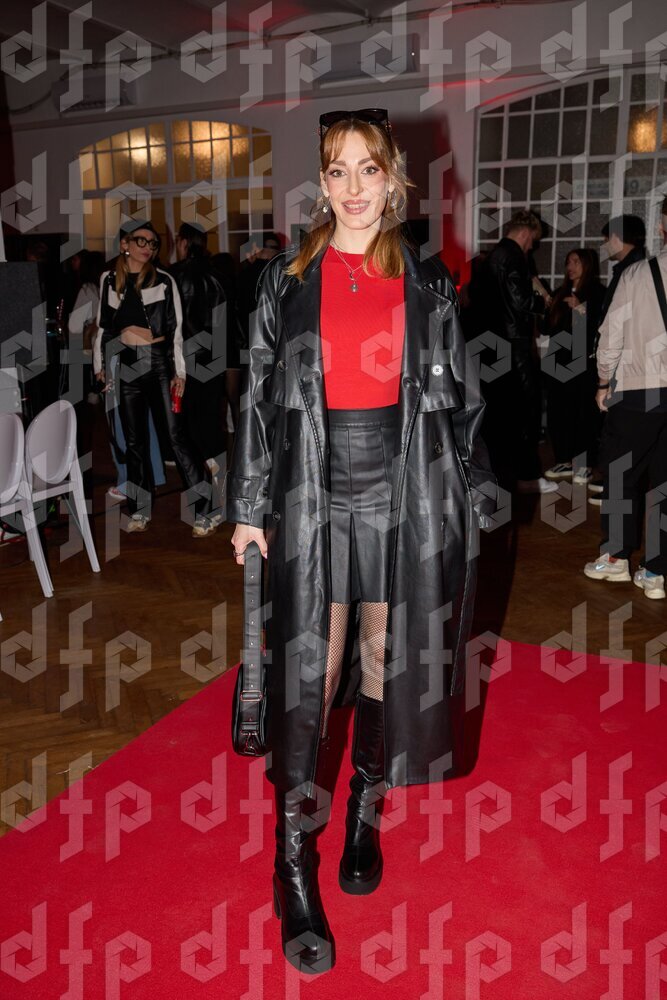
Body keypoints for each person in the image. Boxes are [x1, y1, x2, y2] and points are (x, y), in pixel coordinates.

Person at [224, 108, 496, 974]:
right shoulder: (284, 279)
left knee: (385, 664)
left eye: (367, 169)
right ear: (322, 182)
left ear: (393, 180)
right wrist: (247, 504)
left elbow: (463, 401)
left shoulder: (428, 280)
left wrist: (471, 496)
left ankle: (364, 811)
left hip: (404, 488)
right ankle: (290, 862)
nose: (351, 188)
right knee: (308, 677)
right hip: (309, 487)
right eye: (336, 170)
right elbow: (254, 397)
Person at [93, 220, 215, 536]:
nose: (148, 247)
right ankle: (139, 509)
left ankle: (206, 509)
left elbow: (177, 331)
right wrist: (101, 366)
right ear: (125, 244)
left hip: (159, 362)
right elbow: (103, 328)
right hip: (126, 363)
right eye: (141, 241)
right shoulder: (109, 280)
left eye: (152, 243)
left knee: (175, 436)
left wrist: (180, 373)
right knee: (134, 440)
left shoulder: (163, 280)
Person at [583, 199, 667, 600]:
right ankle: (656, 572)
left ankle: (616, 559)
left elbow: (611, 334)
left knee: (621, 476)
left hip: (640, 389)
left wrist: (603, 382)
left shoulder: (637, 274)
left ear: (663, 227)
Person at [472, 210, 558, 494]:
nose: (532, 247)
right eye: (533, 241)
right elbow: (521, 300)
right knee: (525, 413)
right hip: (514, 346)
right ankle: (527, 475)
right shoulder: (513, 256)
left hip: (492, 346)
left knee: (499, 415)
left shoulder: (491, 258)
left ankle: (502, 476)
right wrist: (543, 303)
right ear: (525, 233)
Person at [171, 222, 232, 518]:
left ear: (183, 242)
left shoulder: (172, 276)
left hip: (183, 360)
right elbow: (223, 322)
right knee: (211, 425)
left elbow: (169, 324)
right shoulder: (217, 275)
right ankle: (221, 486)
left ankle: (205, 496)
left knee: (186, 429)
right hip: (212, 358)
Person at [587, 214, 647, 504]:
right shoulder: (632, 267)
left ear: (616, 238)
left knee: (620, 431)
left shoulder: (633, 271)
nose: (604, 246)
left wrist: (604, 377)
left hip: (628, 364)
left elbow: (616, 325)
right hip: (636, 363)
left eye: (605, 239)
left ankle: (616, 487)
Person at [543, 249, 605, 484]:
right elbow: (546, 328)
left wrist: (580, 309)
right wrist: (547, 307)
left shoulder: (598, 292)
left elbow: (599, 329)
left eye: (576, 262)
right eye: (568, 262)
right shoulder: (560, 292)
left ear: (587, 264)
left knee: (583, 413)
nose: (570, 266)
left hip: (583, 362)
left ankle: (584, 463)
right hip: (557, 360)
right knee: (558, 412)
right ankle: (564, 460)